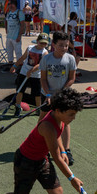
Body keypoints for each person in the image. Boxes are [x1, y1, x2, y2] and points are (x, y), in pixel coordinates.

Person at [39, 31, 77, 165]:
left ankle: (66, 150)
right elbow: (43, 79)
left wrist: (61, 93)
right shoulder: (46, 59)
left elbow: (72, 78)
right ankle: (43, 149)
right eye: (61, 45)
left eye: (66, 46)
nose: (64, 48)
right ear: (53, 45)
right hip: (47, 93)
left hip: (63, 95)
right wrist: (48, 94)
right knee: (43, 121)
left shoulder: (70, 59)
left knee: (64, 122)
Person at [11, 33, 50, 116]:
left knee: (37, 93)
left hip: (36, 75)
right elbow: (23, 58)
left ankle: (38, 109)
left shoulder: (45, 52)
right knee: (19, 91)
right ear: (37, 41)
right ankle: (18, 107)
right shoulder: (30, 48)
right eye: (41, 42)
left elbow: (41, 64)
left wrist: (32, 70)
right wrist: (15, 66)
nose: (43, 45)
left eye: (45, 43)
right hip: (24, 73)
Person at [4, 0, 25, 64]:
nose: (9, 5)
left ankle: (19, 67)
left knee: (18, 53)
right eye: (8, 4)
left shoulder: (19, 12)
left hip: (16, 37)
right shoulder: (8, 13)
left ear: (14, 4)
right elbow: (6, 21)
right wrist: (6, 30)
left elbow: (22, 25)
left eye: (10, 4)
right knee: (9, 52)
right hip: (9, 36)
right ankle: (10, 65)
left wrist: (19, 36)